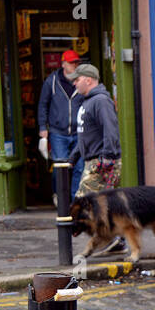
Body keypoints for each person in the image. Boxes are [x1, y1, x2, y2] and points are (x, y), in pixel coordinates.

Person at [38, 49, 85, 200]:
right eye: (72, 63)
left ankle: (74, 201)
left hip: (79, 131)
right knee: (60, 169)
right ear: (63, 64)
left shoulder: (82, 81)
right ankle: (60, 197)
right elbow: (43, 105)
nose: (75, 65)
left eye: (77, 62)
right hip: (58, 132)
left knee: (79, 168)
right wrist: (43, 128)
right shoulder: (51, 81)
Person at [72, 63, 121, 197]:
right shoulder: (88, 101)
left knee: (84, 205)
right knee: (98, 208)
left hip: (100, 162)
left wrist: (107, 157)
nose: (74, 84)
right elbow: (85, 134)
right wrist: (73, 158)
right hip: (93, 162)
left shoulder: (101, 101)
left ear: (88, 80)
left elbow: (110, 129)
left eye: (77, 80)